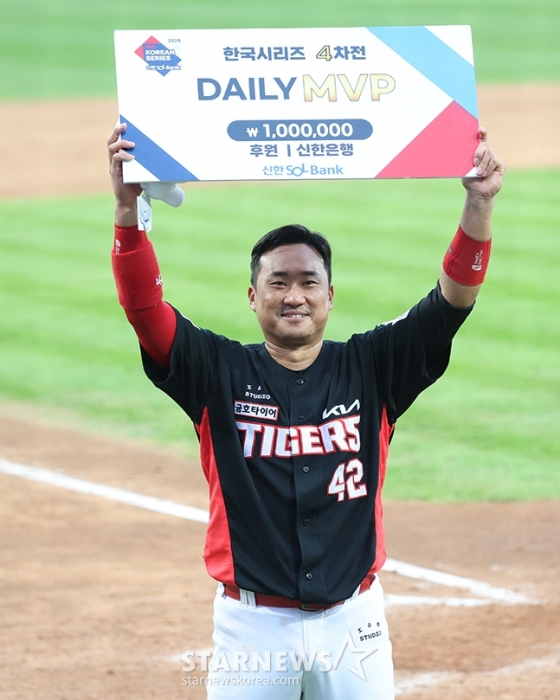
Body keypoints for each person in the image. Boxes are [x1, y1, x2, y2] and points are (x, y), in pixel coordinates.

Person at [107, 123, 504, 700]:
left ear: (330, 296)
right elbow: (144, 309)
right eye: (278, 283)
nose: (294, 295)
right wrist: (127, 213)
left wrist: (479, 203)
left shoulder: (374, 366)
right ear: (253, 297)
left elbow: (451, 303)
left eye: (308, 282)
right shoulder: (215, 370)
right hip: (252, 628)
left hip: (354, 624)